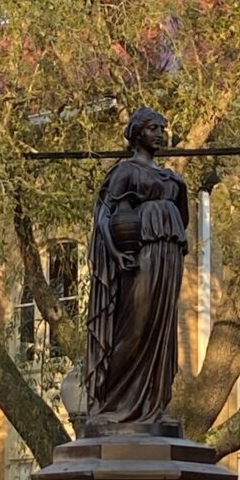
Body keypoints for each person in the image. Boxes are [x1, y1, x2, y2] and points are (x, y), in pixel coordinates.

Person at [85, 107, 189, 425]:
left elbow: (183, 219)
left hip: (169, 257)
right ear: (137, 133)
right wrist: (115, 253)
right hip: (138, 257)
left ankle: (153, 406)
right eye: (153, 128)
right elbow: (104, 217)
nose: (160, 133)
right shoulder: (125, 172)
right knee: (136, 327)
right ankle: (111, 402)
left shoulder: (173, 179)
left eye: (163, 128)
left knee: (162, 330)